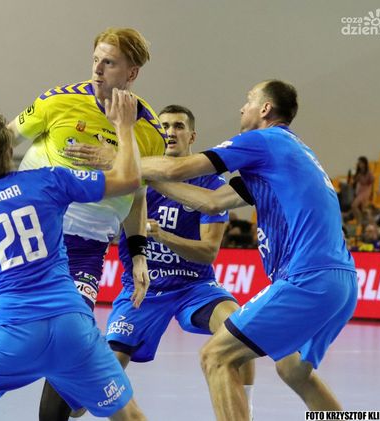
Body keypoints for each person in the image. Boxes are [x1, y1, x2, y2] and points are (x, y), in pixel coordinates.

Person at [0, 27, 166, 421]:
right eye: (95, 59)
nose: (97, 69)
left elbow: (136, 195)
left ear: (132, 73)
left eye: (109, 63)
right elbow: (6, 137)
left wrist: (138, 254)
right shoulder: (58, 101)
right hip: (35, 237)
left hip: (87, 246)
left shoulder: (150, 130)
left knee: (69, 344)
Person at [138, 80, 358, 420]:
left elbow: (176, 168)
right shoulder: (289, 154)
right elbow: (212, 202)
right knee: (293, 370)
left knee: (216, 356)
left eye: (248, 100)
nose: (242, 108)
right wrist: (152, 180)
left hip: (307, 277)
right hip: (342, 282)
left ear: (265, 109)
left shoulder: (263, 141)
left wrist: (121, 162)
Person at [104, 105, 255, 416]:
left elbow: (208, 252)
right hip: (142, 289)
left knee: (241, 328)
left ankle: (246, 410)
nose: (171, 132)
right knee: (97, 385)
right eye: (165, 126)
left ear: (192, 136)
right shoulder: (134, 178)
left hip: (194, 287)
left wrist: (162, 235)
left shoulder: (211, 185)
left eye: (178, 126)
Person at [351, 156, 374, 223]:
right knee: (361, 209)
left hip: (366, 190)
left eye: (361, 163)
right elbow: (354, 182)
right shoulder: (359, 173)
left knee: (354, 205)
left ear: (364, 163)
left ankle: (360, 221)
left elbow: (371, 184)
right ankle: (360, 221)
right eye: (359, 163)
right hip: (360, 191)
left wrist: (371, 194)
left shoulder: (369, 173)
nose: (359, 164)